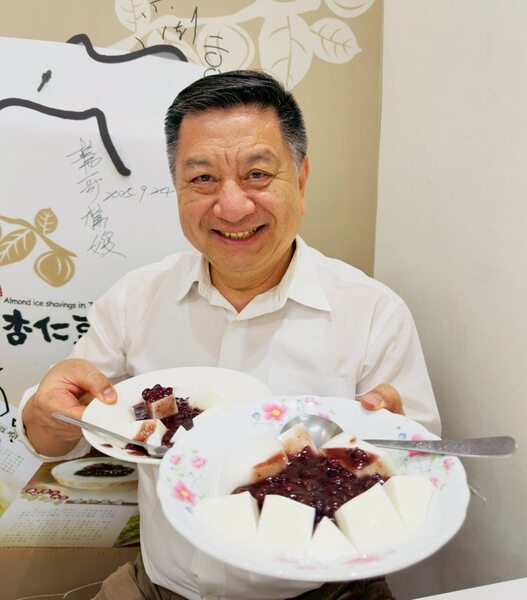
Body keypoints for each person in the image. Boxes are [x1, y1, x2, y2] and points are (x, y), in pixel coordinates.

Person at [18, 70, 440, 600]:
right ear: (177, 186)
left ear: (301, 180)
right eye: (203, 179)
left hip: (325, 591)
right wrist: (48, 416)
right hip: (158, 588)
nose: (233, 206)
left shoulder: (373, 312)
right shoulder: (133, 300)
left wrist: (395, 451)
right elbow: (61, 435)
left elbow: (425, 474)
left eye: (257, 174)